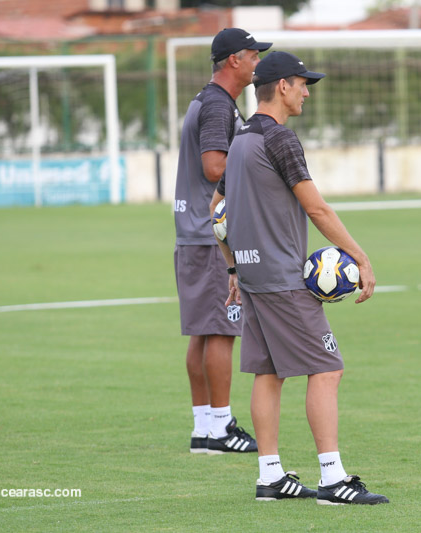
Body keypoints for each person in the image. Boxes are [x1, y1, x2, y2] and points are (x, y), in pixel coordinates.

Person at [216, 51, 389, 505]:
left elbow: (217, 214)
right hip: (283, 279)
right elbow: (317, 208)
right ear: (282, 86)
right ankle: (333, 480)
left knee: (268, 373)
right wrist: (360, 257)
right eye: (302, 83)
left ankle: (270, 476)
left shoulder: (239, 140)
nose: (307, 91)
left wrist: (234, 266)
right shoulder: (280, 140)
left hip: (253, 277)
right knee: (327, 368)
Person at [173, 28, 270, 454]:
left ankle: (203, 427)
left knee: (202, 332)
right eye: (253, 55)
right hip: (211, 235)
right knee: (220, 332)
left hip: (191, 232)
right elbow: (215, 167)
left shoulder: (205, 99)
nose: (257, 63)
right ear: (233, 60)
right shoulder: (217, 105)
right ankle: (220, 428)